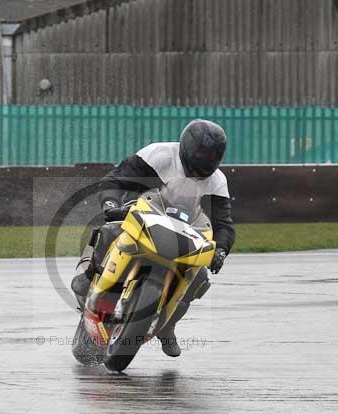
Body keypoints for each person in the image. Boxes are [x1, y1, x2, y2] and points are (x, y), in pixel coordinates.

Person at [74, 119, 235, 357]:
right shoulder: (159, 155)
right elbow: (115, 179)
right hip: (140, 218)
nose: (206, 160)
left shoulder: (217, 181)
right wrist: (111, 203)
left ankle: (168, 325)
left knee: (200, 277)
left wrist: (221, 249)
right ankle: (88, 277)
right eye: (202, 153)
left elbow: (223, 225)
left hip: (183, 234)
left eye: (213, 156)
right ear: (188, 147)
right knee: (110, 232)